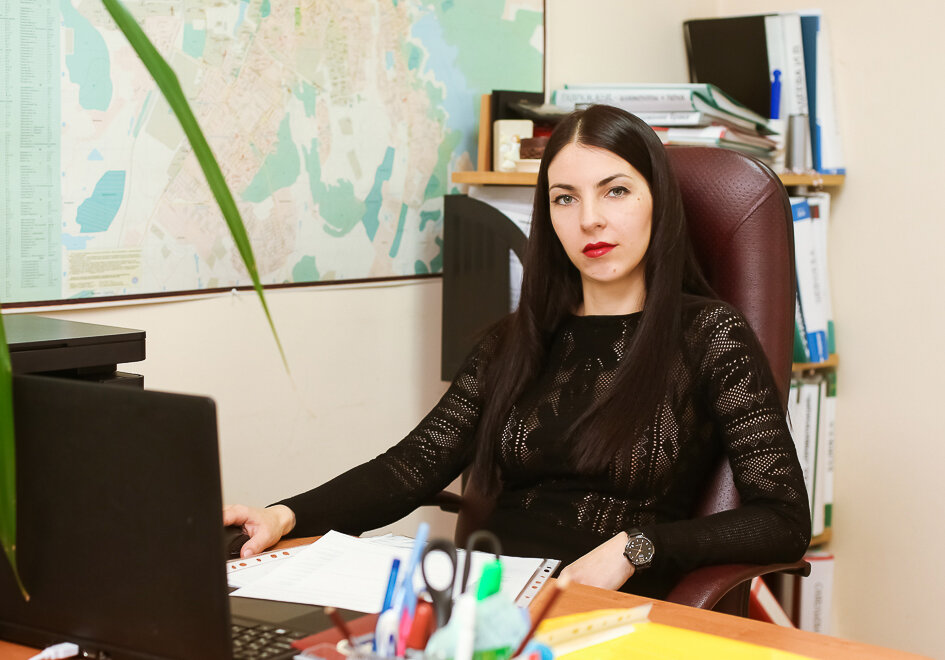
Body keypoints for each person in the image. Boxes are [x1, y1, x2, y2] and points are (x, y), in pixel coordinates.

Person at [224, 104, 811, 599]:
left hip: (601, 611)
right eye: (565, 199)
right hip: (483, 598)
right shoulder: (515, 339)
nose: (590, 220)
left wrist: (636, 548)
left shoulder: (709, 335)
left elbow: (783, 519)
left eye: (616, 191)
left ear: (657, 201)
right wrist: (285, 515)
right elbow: (413, 466)